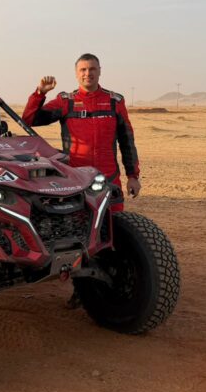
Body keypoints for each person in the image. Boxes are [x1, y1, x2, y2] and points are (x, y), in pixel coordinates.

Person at [23, 54, 141, 305]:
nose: (88, 73)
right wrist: (39, 93)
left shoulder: (115, 101)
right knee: (80, 235)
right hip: (76, 182)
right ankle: (82, 289)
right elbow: (30, 120)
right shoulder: (66, 102)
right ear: (77, 73)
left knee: (114, 233)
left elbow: (127, 141)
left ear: (100, 71)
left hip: (108, 180)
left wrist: (133, 176)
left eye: (92, 69)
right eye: (84, 70)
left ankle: (119, 284)